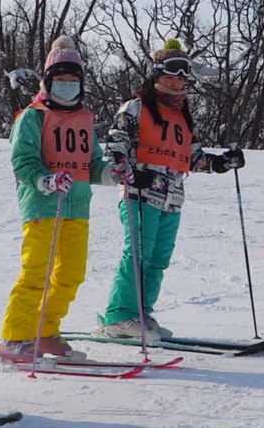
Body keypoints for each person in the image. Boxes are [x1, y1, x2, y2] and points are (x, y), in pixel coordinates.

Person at [97, 40, 245, 341]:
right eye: (169, 75)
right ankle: (119, 315)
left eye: (181, 77)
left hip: (172, 199)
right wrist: (128, 172)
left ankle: (140, 312)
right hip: (141, 193)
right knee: (138, 253)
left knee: (158, 258)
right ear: (155, 76)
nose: (175, 82)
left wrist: (221, 163)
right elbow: (116, 144)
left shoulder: (182, 117)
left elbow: (193, 156)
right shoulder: (136, 107)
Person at [0, 37, 127, 363]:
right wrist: (46, 179)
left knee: (70, 275)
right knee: (36, 273)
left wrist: (112, 174)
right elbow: (23, 161)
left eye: (73, 80)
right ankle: (15, 336)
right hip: (42, 206)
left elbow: (92, 163)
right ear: (47, 80)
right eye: (60, 79)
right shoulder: (32, 116)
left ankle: (44, 330)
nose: (67, 85)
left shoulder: (84, 119)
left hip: (77, 206)